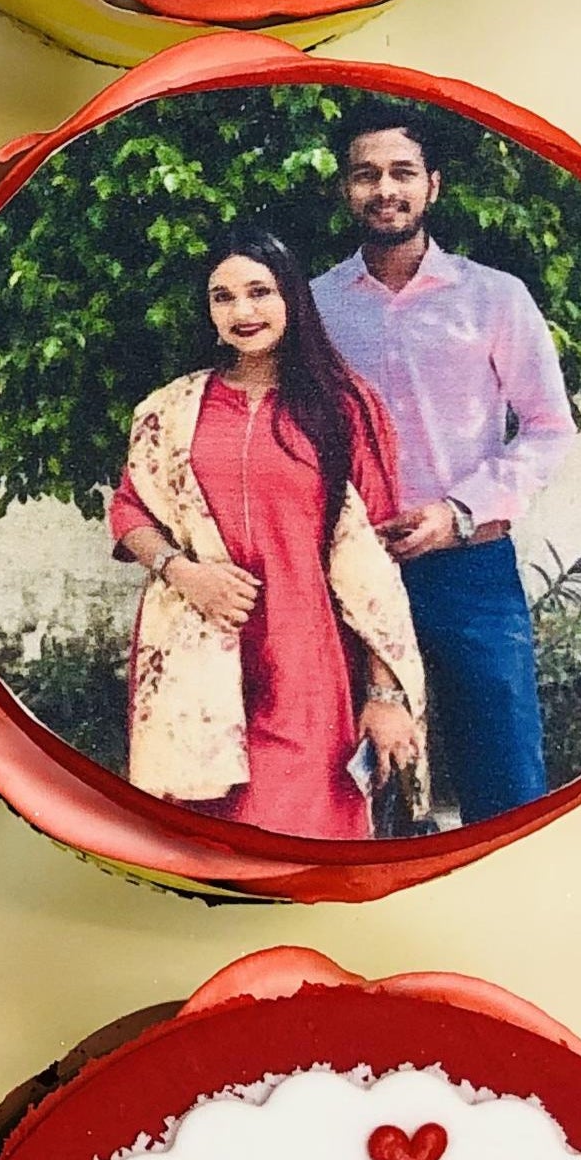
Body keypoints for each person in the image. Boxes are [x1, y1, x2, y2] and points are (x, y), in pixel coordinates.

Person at [111, 229, 426, 839]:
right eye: (223, 297)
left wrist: (385, 696)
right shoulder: (169, 410)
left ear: (292, 298)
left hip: (308, 663)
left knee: (302, 832)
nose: (243, 311)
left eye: (260, 291)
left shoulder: (345, 407)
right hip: (197, 659)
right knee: (205, 840)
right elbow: (130, 513)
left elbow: (379, 559)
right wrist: (186, 573)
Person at [311, 109, 575, 824]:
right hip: (356, 574)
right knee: (368, 788)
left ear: (433, 185)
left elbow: (549, 427)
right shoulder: (316, 307)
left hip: (471, 572)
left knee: (506, 781)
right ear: (345, 190)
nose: (384, 189)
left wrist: (458, 512)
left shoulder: (494, 297)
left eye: (402, 173)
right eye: (366, 174)